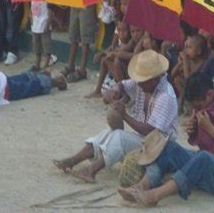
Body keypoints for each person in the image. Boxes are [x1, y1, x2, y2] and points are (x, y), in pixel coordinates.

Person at [118, 71, 214, 207]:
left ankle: (155, 195)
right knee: (168, 147)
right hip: (205, 163)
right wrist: (194, 131)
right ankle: (142, 186)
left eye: (198, 106)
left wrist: (210, 129)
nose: (196, 110)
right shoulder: (202, 103)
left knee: (203, 158)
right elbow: (201, 143)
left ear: (209, 94)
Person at [53, 49, 178, 184]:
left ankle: (92, 171)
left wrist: (124, 115)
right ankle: (73, 160)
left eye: (142, 81)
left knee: (119, 137)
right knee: (109, 133)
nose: (139, 84)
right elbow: (123, 85)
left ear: (154, 79)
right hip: (146, 141)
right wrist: (114, 91)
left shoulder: (165, 97)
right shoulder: (145, 84)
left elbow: (150, 131)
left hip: (160, 148)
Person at [171, 34, 208, 114]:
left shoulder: (202, 62)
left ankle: (187, 104)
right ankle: (187, 103)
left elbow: (189, 78)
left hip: (199, 91)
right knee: (177, 79)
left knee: (187, 84)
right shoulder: (189, 60)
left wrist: (184, 60)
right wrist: (179, 63)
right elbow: (173, 74)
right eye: (186, 47)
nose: (186, 50)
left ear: (198, 51)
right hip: (189, 89)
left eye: (189, 47)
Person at [62, 5, 97, 82]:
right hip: (75, 3)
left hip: (87, 4)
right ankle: (70, 65)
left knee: (85, 38)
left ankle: (82, 70)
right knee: (73, 36)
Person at [30, 1, 56, 72]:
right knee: (36, 45)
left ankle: (46, 65)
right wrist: (31, 18)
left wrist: (48, 24)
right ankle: (37, 64)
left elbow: (50, 11)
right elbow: (31, 8)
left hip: (44, 25)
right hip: (35, 26)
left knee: (46, 45)